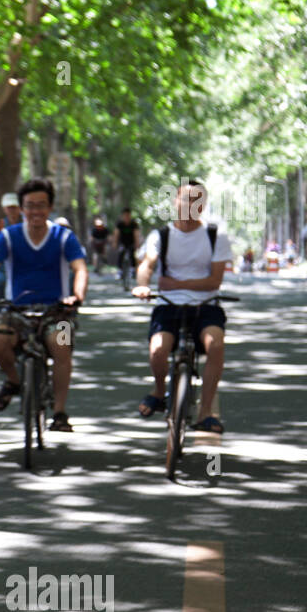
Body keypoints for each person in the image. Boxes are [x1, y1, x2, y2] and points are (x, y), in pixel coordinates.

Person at [0, 178, 88, 432]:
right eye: (29, 206)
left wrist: (76, 294)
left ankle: (59, 412)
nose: (35, 211)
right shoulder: (9, 236)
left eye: (41, 205)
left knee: (61, 347)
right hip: (15, 308)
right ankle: (14, 380)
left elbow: (80, 268)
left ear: (50, 208)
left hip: (57, 309)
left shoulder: (64, 237)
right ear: (21, 208)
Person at [132, 179, 233, 433]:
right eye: (185, 199)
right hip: (168, 306)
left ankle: (206, 411)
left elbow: (214, 280)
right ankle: (158, 392)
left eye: (197, 200)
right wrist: (143, 284)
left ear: (203, 205)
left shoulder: (215, 235)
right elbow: (147, 264)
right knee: (158, 350)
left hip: (205, 305)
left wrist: (173, 282)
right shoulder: (161, 235)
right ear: (175, 201)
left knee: (216, 344)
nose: (190, 204)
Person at [112, 207, 141, 287]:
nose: (126, 217)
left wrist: (137, 244)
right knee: (121, 253)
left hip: (131, 243)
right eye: (125, 215)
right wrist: (115, 243)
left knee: (132, 254)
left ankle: (133, 270)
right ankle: (120, 271)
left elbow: (136, 235)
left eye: (128, 215)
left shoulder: (134, 224)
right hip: (122, 243)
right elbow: (116, 234)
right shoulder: (119, 224)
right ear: (122, 216)